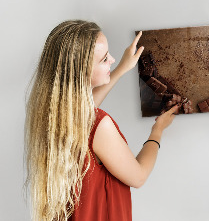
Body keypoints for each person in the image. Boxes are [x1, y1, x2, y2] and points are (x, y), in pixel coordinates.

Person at [24, 20, 178, 221]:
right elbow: (138, 176)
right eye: (105, 59)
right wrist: (157, 130)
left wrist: (122, 68)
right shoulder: (100, 125)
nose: (113, 59)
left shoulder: (53, 114)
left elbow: (85, 112)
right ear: (81, 72)